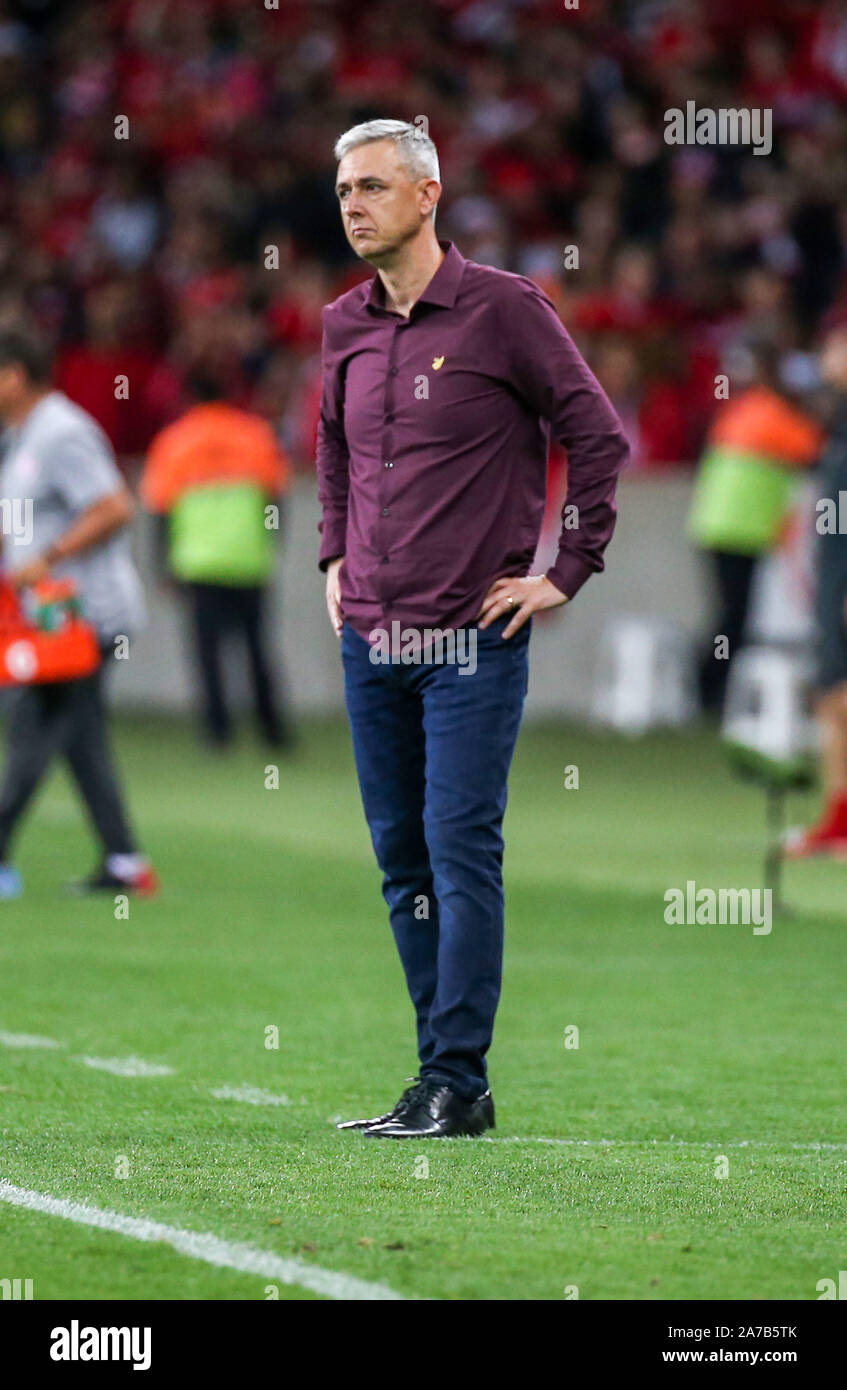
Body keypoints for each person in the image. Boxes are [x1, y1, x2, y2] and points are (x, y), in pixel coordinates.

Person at [318, 120, 628, 1140]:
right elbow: (332, 448)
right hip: (372, 638)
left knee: (457, 852)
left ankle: (457, 1076)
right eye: (343, 187)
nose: (352, 203)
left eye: (371, 185)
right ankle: (440, 1082)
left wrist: (565, 572)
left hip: (468, 641)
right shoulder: (343, 326)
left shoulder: (505, 310)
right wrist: (331, 556)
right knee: (403, 862)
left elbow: (597, 436)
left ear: (428, 193)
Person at [0, 328, 156, 899]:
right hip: (46, 622)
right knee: (78, 736)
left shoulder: (63, 432)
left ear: (15, 375)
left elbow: (115, 505)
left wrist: (48, 557)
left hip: (86, 616)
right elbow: (21, 522)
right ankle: (124, 862)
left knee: (32, 727)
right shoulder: (20, 438)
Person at [141, 374, 293, 749]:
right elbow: (276, 500)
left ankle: (217, 733)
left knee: (207, 654)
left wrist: (162, 565)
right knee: (257, 649)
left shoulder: (174, 441)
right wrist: (272, 543)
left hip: (198, 563)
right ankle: (272, 732)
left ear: (189, 398)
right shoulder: (256, 434)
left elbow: (160, 510)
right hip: (248, 559)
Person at [687, 341, 822, 711]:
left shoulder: (745, 408)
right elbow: (817, 451)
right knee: (734, 620)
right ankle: (707, 692)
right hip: (736, 530)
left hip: (722, 527)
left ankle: (710, 691)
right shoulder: (771, 413)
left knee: (731, 617)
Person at [786, 326, 847, 858]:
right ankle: (838, 820)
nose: (829, 354)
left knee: (840, 701)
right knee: (832, 700)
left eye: (838, 347)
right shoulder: (835, 428)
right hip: (833, 583)